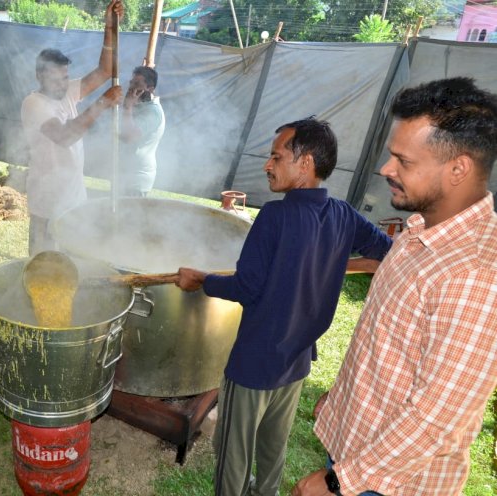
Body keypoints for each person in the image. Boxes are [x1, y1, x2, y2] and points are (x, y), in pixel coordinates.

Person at [291, 78, 497, 496]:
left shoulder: (475, 274)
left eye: (403, 161)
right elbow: (391, 342)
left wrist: (336, 483)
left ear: (458, 168)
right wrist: (340, 400)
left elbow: (436, 418)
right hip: (364, 454)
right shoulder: (421, 229)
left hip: (388, 483)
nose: (387, 169)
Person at [175, 118, 392, 496]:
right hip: (296, 362)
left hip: (255, 363)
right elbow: (387, 252)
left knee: (233, 460)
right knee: (273, 450)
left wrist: (202, 280)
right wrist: (343, 261)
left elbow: (246, 286)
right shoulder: (344, 215)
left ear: (305, 164)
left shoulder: (274, 216)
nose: (267, 165)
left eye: (276, 156)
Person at [21, 0, 124, 255]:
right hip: (48, 203)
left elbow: (105, 70)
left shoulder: (67, 91)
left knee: (73, 262)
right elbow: (65, 136)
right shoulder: (34, 104)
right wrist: (102, 104)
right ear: (40, 76)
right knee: (43, 267)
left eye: (65, 77)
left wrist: (109, 28)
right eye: (56, 79)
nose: (62, 84)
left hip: (74, 199)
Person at [119, 65, 165, 197]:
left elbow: (128, 137)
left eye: (137, 84)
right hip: (125, 175)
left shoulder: (153, 112)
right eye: (131, 83)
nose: (131, 87)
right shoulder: (140, 106)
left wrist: (127, 107)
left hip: (136, 180)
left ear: (150, 89)